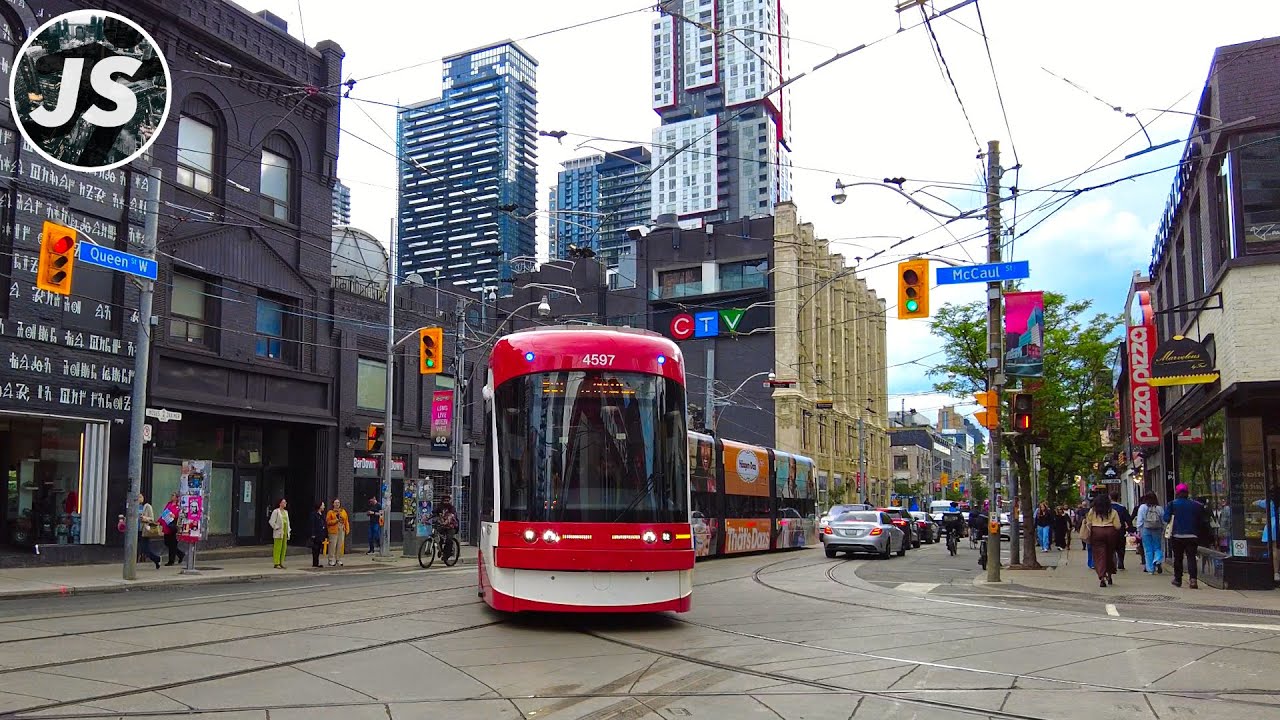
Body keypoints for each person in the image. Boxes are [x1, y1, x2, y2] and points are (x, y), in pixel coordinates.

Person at [1164, 484, 1204, 589]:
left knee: (1178, 558)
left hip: (1177, 535)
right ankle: (1193, 580)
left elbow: (1166, 518)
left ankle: (1178, 579)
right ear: (1187, 493)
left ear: (1177, 493)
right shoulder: (1195, 505)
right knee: (1191, 557)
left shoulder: (1172, 504)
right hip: (1192, 535)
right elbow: (1201, 519)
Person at [1083, 492, 1121, 587]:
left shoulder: (1092, 511)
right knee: (1109, 554)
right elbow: (1117, 526)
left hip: (1097, 532)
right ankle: (1110, 574)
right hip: (1110, 533)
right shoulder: (1113, 511)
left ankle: (1102, 576)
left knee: (1099, 555)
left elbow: (1088, 523)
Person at [1135, 492, 1165, 574]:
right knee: (1157, 547)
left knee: (1148, 549)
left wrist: (1138, 530)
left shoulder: (1142, 507)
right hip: (1157, 529)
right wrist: (1163, 528)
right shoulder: (1159, 508)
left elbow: (1140, 520)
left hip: (1146, 529)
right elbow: (1163, 520)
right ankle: (1157, 560)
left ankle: (1151, 569)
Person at [136, 493, 161, 570]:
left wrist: (144, 518)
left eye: (140, 497)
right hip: (135, 530)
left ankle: (156, 558)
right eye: (138, 497)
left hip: (144, 530)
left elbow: (152, 519)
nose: (139, 498)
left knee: (145, 549)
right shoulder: (134, 506)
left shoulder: (147, 506)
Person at [433, 494, 459, 562]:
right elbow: (433, 513)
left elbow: (451, 516)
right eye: (445, 500)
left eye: (447, 501)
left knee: (448, 539)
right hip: (443, 526)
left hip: (451, 526)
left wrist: (446, 522)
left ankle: (447, 554)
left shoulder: (451, 508)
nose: (446, 502)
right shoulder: (439, 507)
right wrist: (425, 519)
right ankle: (440, 549)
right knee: (439, 536)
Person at [1110, 492, 1133, 571]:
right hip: (1120, 530)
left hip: (1110, 529)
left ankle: (1113, 562)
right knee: (1121, 547)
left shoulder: (1107, 507)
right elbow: (1128, 519)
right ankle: (1121, 562)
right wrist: (1130, 528)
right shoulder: (1122, 508)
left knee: (1111, 547)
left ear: (1110, 497)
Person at [160, 492, 185, 566]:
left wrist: (175, 516)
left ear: (177, 497)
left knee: (173, 544)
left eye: (173, 495)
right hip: (167, 524)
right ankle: (180, 554)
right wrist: (159, 521)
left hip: (174, 526)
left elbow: (180, 515)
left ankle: (171, 560)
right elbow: (164, 513)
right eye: (171, 495)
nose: (172, 496)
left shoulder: (178, 506)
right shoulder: (169, 504)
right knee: (167, 542)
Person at [326, 499, 350, 567]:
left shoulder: (343, 511)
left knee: (340, 545)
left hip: (341, 529)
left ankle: (338, 559)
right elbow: (328, 522)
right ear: (333, 504)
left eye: (338, 502)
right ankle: (331, 560)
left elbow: (346, 521)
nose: (337, 504)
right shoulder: (330, 512)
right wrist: (335, 520)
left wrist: (347, 529)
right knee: (332, 545)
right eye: (335, 502)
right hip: (333, 531)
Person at [269, 498, 290, 569]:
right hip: (279, 531)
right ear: (280, 503)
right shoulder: (276, 511)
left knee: (284, 547)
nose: (285, 503)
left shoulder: (286, 512)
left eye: (285, 502)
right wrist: (276, 527)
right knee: (277, 547)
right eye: (283, 502)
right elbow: (271, 521)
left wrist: (288, 530)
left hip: (285, 530)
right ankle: (276, 562)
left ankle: (281, 562)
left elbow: (288, 522)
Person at [310, 501, 327, 568]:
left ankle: (317, 562)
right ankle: (315, 563)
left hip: (321, 534)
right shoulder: (314, 514)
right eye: (323, 505)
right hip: (316, 534)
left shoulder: (322, 514)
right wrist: (313, 534)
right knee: (315, 548)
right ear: (319, 506)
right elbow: (312, 524)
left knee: (319, 548)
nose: (324, 507)